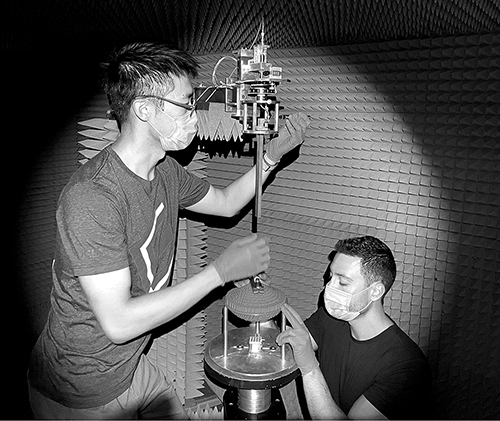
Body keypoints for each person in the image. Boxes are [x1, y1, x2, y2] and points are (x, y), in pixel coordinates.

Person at [27, 42, 310, 419]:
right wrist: (220, 272)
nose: (195, 114)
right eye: (186, 103)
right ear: (146, 109)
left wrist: (271, 155)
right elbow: (119, 322)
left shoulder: (167, 173)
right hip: (80, 387)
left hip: (130, 369)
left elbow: (225, 203)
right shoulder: (92, 197)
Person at [277, 236, 431, 420]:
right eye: (330, 277)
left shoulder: (406, 367)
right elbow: (284, 352)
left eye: (342, 282)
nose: (328, 288)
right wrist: (260, 304)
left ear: (375, 291)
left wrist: (310, 368)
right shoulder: (331, 318)